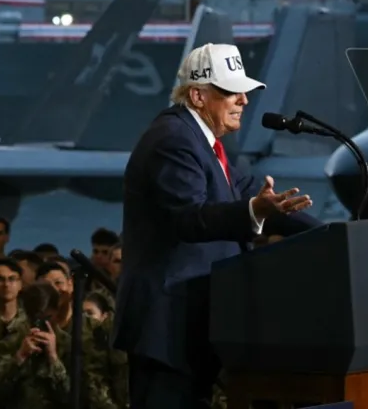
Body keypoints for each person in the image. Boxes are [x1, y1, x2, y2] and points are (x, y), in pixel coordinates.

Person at [114, 42, 322, 408]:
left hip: (190, 330)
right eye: (232, 91)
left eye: (244, 91)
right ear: (197, 95)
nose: (243, 100)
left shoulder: (203, 143)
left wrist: (328, 234)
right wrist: (255, 211)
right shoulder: (174, 141)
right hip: (167, 331)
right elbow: (189, 218)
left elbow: (254, 196)